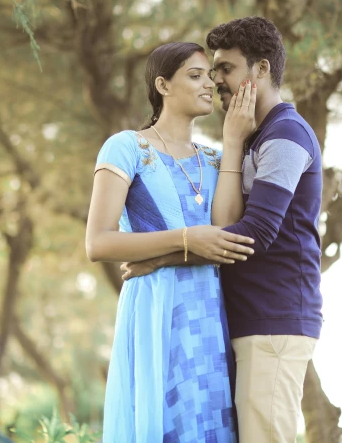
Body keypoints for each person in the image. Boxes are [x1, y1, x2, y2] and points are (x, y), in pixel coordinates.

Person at [121, 17, 324, 443]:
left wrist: (160, 257)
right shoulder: (254, 137)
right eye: (211, 72)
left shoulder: (285, 135)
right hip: (247, 320)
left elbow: (255, 233)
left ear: (262, 69)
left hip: (274, 321)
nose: (217, 81)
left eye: (226, 69)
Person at [86, 41, 259, 443]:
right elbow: (98, 243)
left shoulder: (216, 160)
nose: (209, 86)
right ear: (162, 85)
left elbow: (226, 233)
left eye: (210, 78)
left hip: (211, 314)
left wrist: (234, 143)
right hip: (155, 310)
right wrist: (185, 239)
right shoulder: (128, 147)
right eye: (195, 76)